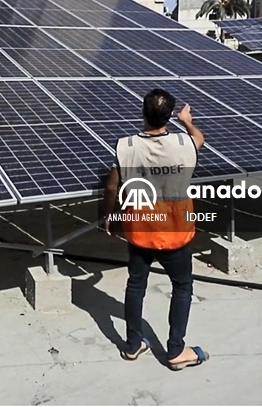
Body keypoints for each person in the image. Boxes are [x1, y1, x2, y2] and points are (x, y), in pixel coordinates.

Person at [100, 88, 208, 370]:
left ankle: (133, 345)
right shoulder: (185, 144)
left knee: (135, 286)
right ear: (168, 117)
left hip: (140, 231)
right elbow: (200, 139)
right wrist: (186, 120)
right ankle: (176, 351)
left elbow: (112, 185)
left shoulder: (127, 146)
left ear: (143, 113)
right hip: (177, 232)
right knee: (182, 287)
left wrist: (110, 216)